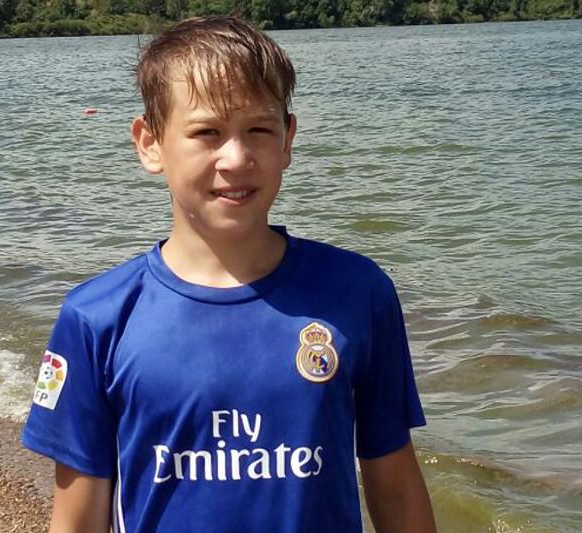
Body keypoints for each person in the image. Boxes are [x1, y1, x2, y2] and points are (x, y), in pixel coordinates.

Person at [22, 15, 436, 533]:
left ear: (287, 139)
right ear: (150, 143)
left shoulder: (358, 293)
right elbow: (78, 519)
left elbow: (395, 486)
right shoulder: (97, 318)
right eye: (207, 132)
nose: (236, 158)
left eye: (258, 130)